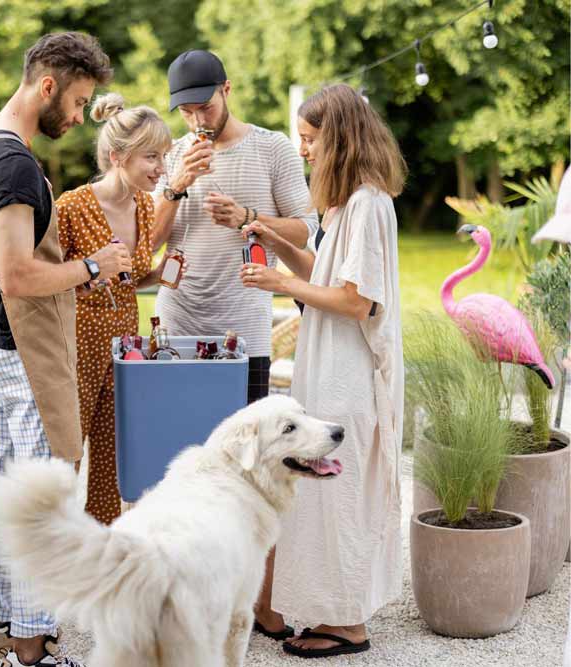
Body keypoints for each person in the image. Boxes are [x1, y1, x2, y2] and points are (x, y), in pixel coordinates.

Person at [0, 32, 129, 667]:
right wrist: (95, 265)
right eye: (80, 102)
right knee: (41, 493)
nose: (80, 117)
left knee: (5, 483)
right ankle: (32, 648)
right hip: (25, 343)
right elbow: (19, 274)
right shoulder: (14, 165)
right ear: (47, 85)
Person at [241, 83, 406, 658]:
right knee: (322, 490)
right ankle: (330, 612)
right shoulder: (343, 206)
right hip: (327, 366)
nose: (303, 150)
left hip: (349, 373)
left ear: (338, 138)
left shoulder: (369, 203)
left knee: (340, 492)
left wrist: (282, 285)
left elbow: (358, 300)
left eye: (310, 140)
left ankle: (350, 625)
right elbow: (325, 274)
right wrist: (272, 242)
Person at [153, 49, 318, 406]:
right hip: (178, 324)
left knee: (244, 447)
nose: (197, 121)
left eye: (205, 108)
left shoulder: (272, 148)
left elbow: (306, 230)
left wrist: (247, 216)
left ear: (226, 89)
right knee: (178, 437)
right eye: (186, 112)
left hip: (244, 329)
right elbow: (149, 244)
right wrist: (176, 185)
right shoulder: (168, 156)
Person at [56, 93, 176, 525]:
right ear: (116, 156)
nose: (161, 168)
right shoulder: (71, 207)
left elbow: (129, 279)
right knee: (64, 457)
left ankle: (101, 554)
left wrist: (158, 273)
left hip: (124, 349)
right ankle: (54, 555)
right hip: (76, 349)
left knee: (112, 459)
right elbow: (46, 282)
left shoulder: (145, 206)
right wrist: (89, 272)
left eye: (163, 156)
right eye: (151, 156)